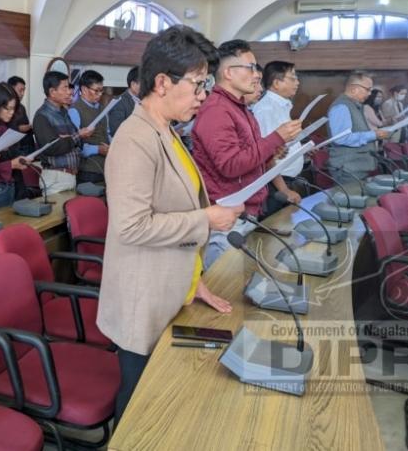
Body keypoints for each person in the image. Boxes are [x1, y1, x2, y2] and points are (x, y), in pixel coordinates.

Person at [97, 25, 242, 424]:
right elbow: (131, 226)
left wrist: (192, 278)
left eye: (205, 84)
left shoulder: (168, 131)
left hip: (169, 285)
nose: (203, 96)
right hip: (142, 297)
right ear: (162, 82)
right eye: (197, 84)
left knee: (161, 402)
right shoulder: (134, 139)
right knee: (139, 408)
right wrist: (206, 220)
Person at [191, 39, 302, 269]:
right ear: (229, 73)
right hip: (225, 218)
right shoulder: (217, 110)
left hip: (243, 213)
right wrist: (275, 138)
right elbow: (230, 165)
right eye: (250, 68)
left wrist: (271, 153)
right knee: (226, 291)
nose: (256, 75)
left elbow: (248, 156)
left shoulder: (239, 107)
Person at [252, 60, 305, 216]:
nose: (297, 82)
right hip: (277, 184)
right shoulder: (266, 109)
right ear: (276, 83)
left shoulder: (282, 105)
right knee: (274, 229)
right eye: (293, 78)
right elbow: (266, 155)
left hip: (287, 181)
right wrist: (284, 189)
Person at [32, 70, 92, 194]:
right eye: (65, 88)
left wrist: (71, 138)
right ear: (52, 92)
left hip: (71, 175)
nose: (69, 91)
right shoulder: (42, 116)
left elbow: (74, 142)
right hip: (56, 176)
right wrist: (76, 136)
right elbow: (52, 147)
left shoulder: (64, 112)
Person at [326, 71, 390, 184]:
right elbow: (341, 138)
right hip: (347, 169)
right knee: (350, 200)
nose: (370, 93)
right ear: (354, 89)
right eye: (368, 89)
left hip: (355, 167)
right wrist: (373, 134)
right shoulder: (341, 107)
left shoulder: (354, 105)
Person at [69, 70, 110, 184]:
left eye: (102, 90)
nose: (100, 94)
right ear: (84, 89)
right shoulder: (75, 110)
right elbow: (74, 145)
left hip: (106, 167)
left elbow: (107, 133)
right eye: (96, 91)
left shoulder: (102, 108)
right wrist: (97, 149)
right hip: (88, 170)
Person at [107, 66, 139, 137]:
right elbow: (116, 131)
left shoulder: (145, 100)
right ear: (133, 85)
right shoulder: (118, 102)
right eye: (145, 84)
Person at [6, 76, 34, 154]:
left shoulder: (22, 107)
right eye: (20, 90)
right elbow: (8, 129)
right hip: (13, 148)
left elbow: (26, 126)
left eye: (24, 90)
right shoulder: (3, 108)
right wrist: (23, 128)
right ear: (11, 89)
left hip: (27, 146)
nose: (22, 94)